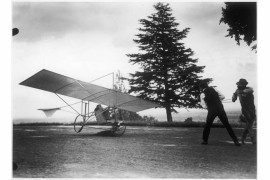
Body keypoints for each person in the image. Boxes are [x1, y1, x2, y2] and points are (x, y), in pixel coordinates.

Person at [199, 81, 241, 146]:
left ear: (201, 88)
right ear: (207, 85)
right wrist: (217, 100)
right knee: (227, 125)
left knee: (208, 125)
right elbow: (223, 97)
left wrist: (208, 106)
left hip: (211, 110)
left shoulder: (202, 94)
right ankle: (236, 141)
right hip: (220, 108)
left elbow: (203, 105)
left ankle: (205, 141)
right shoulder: (214, 89)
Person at [232, 79, 256, 145]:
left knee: (249, 125)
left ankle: (243, 138)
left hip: (251, 110)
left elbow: (251, 90)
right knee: (249, 125)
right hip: (245, 111)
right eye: (239, 84)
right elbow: (234, 98)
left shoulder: (248, 89)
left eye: (241, 84)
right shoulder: (237, 91)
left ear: (244, 85)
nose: (239, 86)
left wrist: (242, 92)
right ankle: (253, 140)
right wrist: (234, 97)